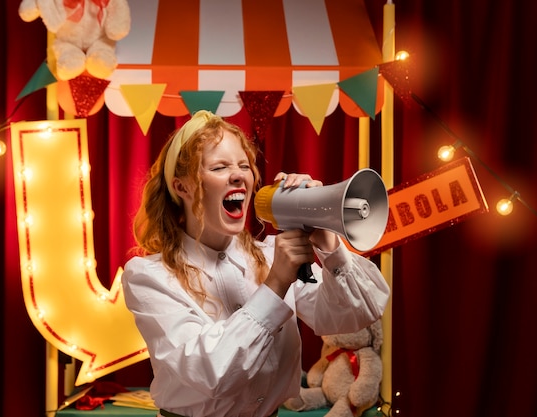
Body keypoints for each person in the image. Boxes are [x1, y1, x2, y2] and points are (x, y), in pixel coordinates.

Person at [121, 110, 390, 417]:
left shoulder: (272, 255)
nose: (238, 175)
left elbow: (356, 316)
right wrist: (275, 285)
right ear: (182, 187)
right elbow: (211, 372)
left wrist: (329, 246)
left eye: (244, 166)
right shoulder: (149, 276)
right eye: (219, 167)